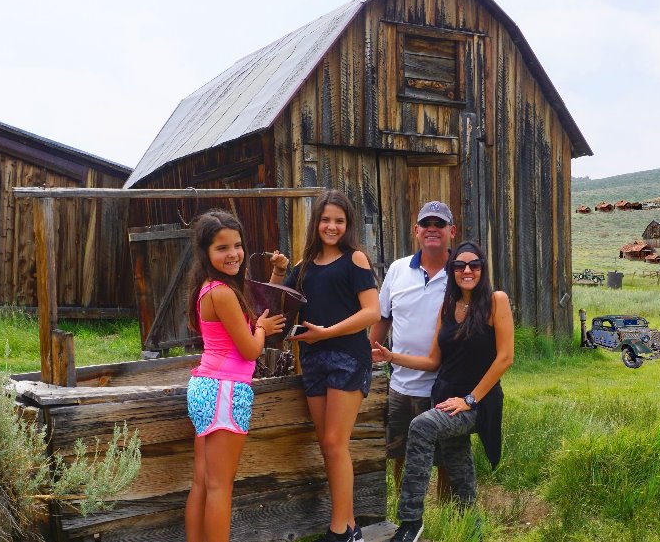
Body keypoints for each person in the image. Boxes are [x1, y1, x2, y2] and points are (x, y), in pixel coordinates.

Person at [372, 242, 515, 542]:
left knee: (421, 427)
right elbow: (433, 361)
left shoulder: (496, 301)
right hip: (446, 396)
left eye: (474, 265)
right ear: (452, 272)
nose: (467, 271)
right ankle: (470, 525)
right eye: (460, 266)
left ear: (483, 268)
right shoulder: (448, 306)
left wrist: (470, 399)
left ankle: (411, 520)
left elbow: (505, 358)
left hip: (477, 401)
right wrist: (391, 356)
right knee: (458, 459)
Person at [271, 190, 381, 542]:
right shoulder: (302, 269)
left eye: (339, 221)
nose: (331, 226)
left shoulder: (356, 260)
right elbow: (275, 304)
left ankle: (338, 532)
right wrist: (277, 272)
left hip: (348, 356)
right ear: (315, 223)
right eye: (325, 220)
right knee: (327, 444)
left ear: (347, 225)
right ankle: (350, 528)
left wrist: (326, 333)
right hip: (314, 359)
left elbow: (371, 312)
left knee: (335, 442)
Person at [184, 211, 287, 542]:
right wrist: (260, 329)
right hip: (225, 391)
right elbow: (250, 350)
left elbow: (259, 303)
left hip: (207, 386)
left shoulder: (212, 287)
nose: (233, 254)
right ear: (206, 252)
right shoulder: (223, 293)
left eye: (238, 245)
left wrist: (277, 273)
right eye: (222, 248)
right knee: (220, 486)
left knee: (203, 481)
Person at [370, 200, 456, 492]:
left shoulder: (461, 273)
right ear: (416, 230)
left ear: (451, 231)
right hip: (401, 384)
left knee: (445, 456)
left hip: (444, 384)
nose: (433, 229)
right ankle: (403, 507)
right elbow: (383, 318)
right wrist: (369, 352)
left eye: (440, 224)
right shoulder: (397, 270)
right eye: (427, 224)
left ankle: (446, 511)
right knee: (399, 452)